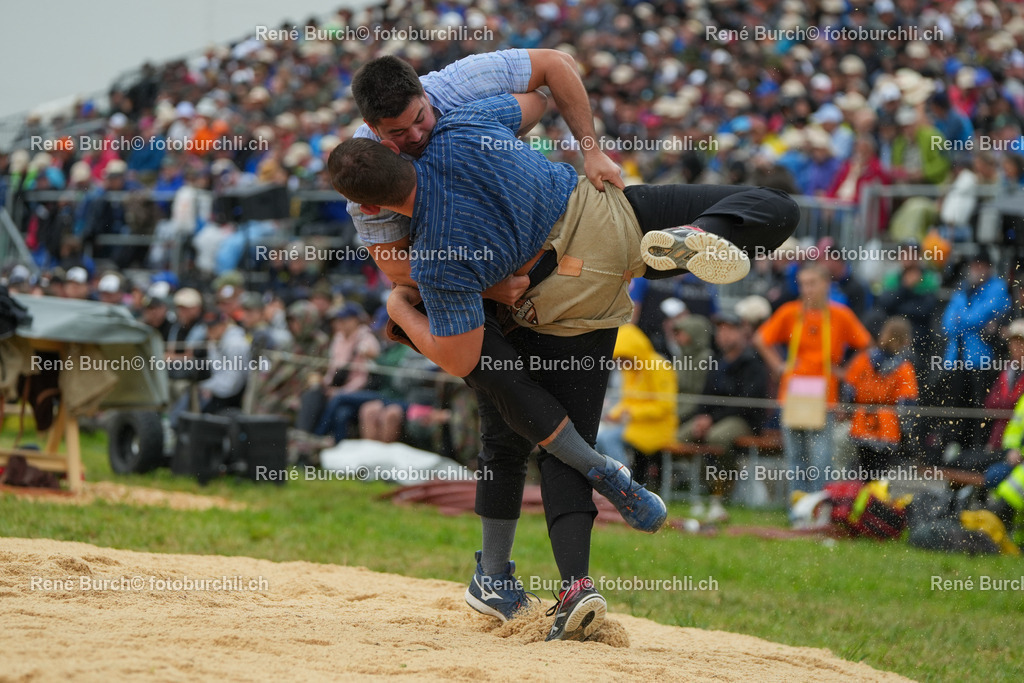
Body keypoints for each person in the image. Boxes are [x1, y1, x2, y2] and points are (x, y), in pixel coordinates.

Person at [338, 54, 799, 640]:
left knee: (521, 422)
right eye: (401, 134)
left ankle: (559, 560)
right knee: (776, 207)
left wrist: (407, 308)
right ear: (378, 138)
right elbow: (542, 91)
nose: (417, 135)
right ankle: (704, 235)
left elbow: (444, 338)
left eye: (419, 121)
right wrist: (584, 149)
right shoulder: (467, 119)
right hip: (607, 218)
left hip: (551, 296)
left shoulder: (436, 249)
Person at [754, 263, 872, 493]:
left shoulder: (840, 315)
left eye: (812, 283)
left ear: (826, 284)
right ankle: (798, 509)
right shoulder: (791, 312)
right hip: (793, 392)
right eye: (803, 284)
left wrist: (846, 372)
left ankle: (820, 507)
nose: (807, 289)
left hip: (824, 395)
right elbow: (761, 339)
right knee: (796, 456)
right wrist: (779, 366)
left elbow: (866, 346)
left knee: (821, 458)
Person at [680, 310, 769, 521]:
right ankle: (700, 488)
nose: (724, 335)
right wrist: (702, 418)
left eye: (730, 329)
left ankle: (723, 489)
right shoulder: (716, 362)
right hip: (716, 419)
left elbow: (745, 403)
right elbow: (705, 397)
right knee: (680, 435)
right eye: (720, 330)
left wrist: (711, 419)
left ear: (742, 333)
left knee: (717, 438)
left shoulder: (754, 363)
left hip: (745, 421)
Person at [600, 324, 678, 487]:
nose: (621, 363)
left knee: (607, 439)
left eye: (623, 358)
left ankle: (625, 485)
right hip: (637, 425)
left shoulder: (658, 366)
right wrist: (614, 415)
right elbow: (628, 401)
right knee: (599, 437)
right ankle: (620, 482)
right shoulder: (631, 369)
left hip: (656, 426)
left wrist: (631, 414)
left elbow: (665, 406)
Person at [841, 317, 919, 476]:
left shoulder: (864, 359)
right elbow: (906, 403)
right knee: (881, 478)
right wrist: (906, 433)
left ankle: (862, 500)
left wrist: (850, 413)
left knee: (862, 472)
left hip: (862, 421)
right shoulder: (904, 367)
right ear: (905, 340)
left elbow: (849, 389)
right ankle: (875, 500)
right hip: (887, 425)